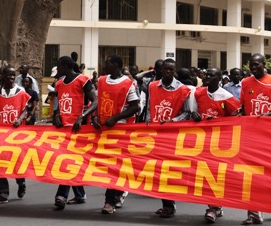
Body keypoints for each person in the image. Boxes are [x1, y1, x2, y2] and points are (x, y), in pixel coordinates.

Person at [239, 53, 271, 225]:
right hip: (251, 135)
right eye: (251, 65)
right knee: (251, 174)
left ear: (263, 65)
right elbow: (244, 108)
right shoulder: (246, 83)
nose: (254, 68)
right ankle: (253, 212)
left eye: (257, 65)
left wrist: (270, 115)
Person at [146, 58, 194, 219]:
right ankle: (167, 204)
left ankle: (169, 204)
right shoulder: (152, 86)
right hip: (154, 135)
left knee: (168, 171)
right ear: (161, 70)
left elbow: (187, 112)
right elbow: (148, 108)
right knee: (158, 171)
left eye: (171, 70)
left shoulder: (183, 89)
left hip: (173, 137)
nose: (168, 72)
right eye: (165, 69)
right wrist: (146, 123)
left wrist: (172, 121)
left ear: (175, 71)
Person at [194, 67, 240, 223]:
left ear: (219, 79)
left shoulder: (227, 97)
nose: (207, 76)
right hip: (202, 142)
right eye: (206, 74)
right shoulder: (198, 93)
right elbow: (192, 113)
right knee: (205, 175)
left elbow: (238, 118)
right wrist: (195, 117)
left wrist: (220, 123)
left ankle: (214, 207)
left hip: (221, 144)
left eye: (211, 75)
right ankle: (215, 205)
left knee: (216, 175)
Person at [51, 56, 98, 210]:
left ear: (65, 66)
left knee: (67, 161)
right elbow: (58, 105)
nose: (57, 70)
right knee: (70, 162)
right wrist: (57, 115)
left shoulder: (82, 80)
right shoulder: (59, 83)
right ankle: (80, 194)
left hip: (79, 129)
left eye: (58, 66)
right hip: (63, 129)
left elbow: (95, 101)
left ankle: (62, 195)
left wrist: (82, 117)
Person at [97, 54, 140, 214]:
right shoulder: (101, 81)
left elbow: (135, 107)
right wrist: (94, 118)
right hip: (102, 129)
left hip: (120, 131)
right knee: (107, 166)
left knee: (113, 166)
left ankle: (109, 201)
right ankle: (120, 190)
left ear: (115, 65)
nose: (104, 64)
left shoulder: (128, 84)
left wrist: (115, 118)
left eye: (107, 62)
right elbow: (98, 101)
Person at [0, 66, 31, 204]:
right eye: (9, 75)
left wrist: (19, 119)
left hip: (16, 134)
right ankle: (3, 193)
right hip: (0, 135)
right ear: (2, 77)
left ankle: (21, 182)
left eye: (14, 75)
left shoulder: (21, 92)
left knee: (16, 162)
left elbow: (26, 110)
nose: (12, 78)